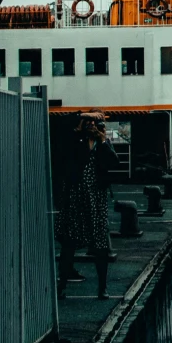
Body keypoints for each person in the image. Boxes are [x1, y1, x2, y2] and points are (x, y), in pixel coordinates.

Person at [56, 113, 116, 301]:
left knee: (100, 244)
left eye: (95, 123)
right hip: (75, 197)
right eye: (87, 122)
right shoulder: (75, 140)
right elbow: (67, 158)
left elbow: (114, 162)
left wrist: (103, 141)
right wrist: (80, 127)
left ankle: (102, 288)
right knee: (69, 242)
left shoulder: (102, 143)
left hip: (96, 198)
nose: (91, 126)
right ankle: (62, 285)